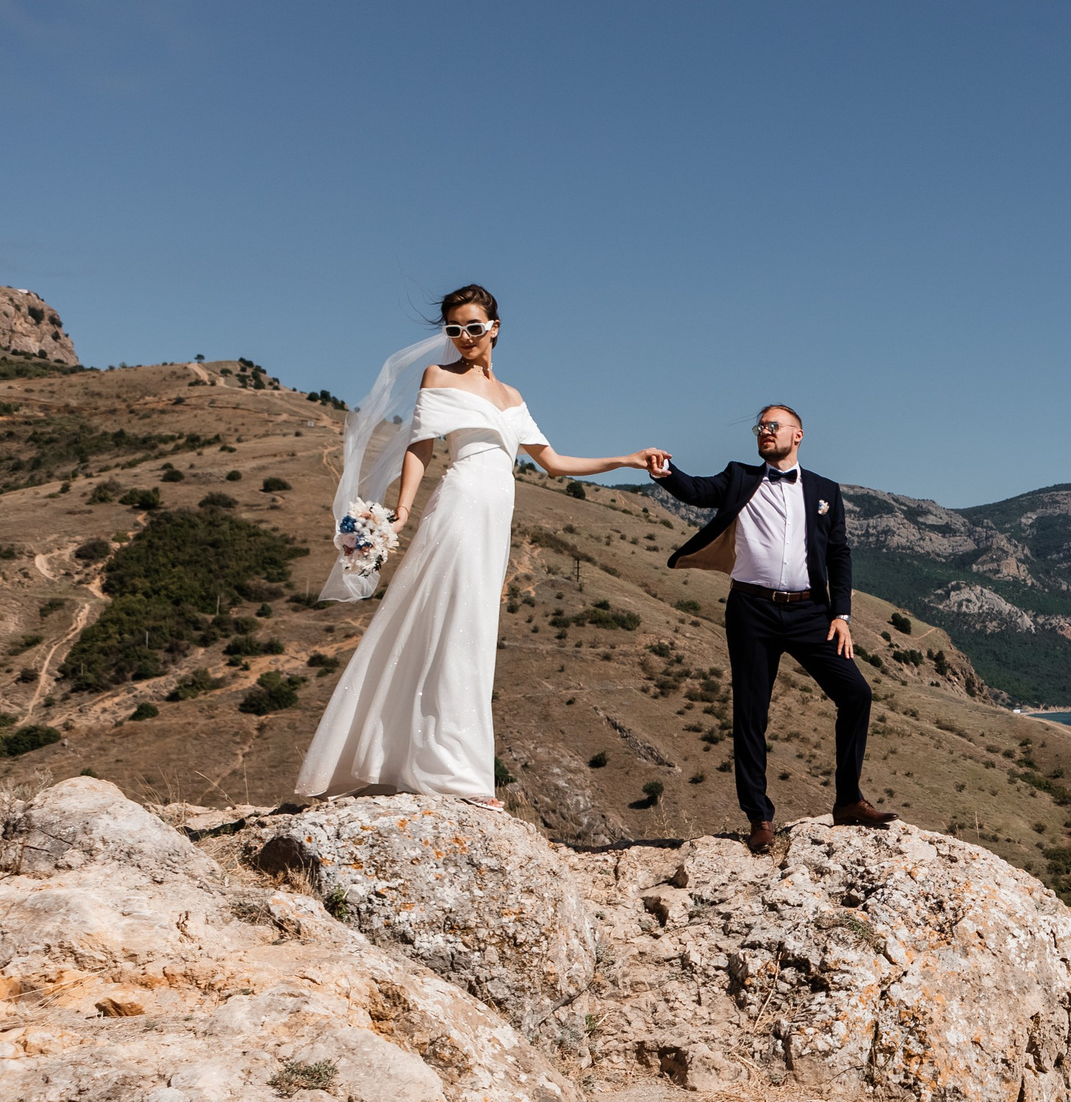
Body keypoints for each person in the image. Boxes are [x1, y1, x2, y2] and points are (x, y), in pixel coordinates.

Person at [297, 284, 667, 803]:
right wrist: (401, 511)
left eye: (474, 327)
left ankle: (437, 763)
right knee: (451, 625)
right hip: (461, 504)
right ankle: (452, 775)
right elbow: (419, 448)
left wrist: (626, 460)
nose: (464, 337)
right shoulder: (438, 377)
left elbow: (555, 463)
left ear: (495, 328)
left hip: (497, 515)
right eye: (454, 330)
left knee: (470, 629)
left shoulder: (513, 398)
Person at [656, 403, 896, 851]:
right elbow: (695, 490)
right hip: (752, 611)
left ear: (797, 435)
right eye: (759, 427)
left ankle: (847, 800)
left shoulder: (825, 490)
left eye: (773, 426)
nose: (764, 432)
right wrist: (664, 472)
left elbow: (839, 554)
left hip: (811, 614)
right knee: (751, 714)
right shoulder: (740, 477)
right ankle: (759, 817)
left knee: (856, 694)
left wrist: (841, 615)